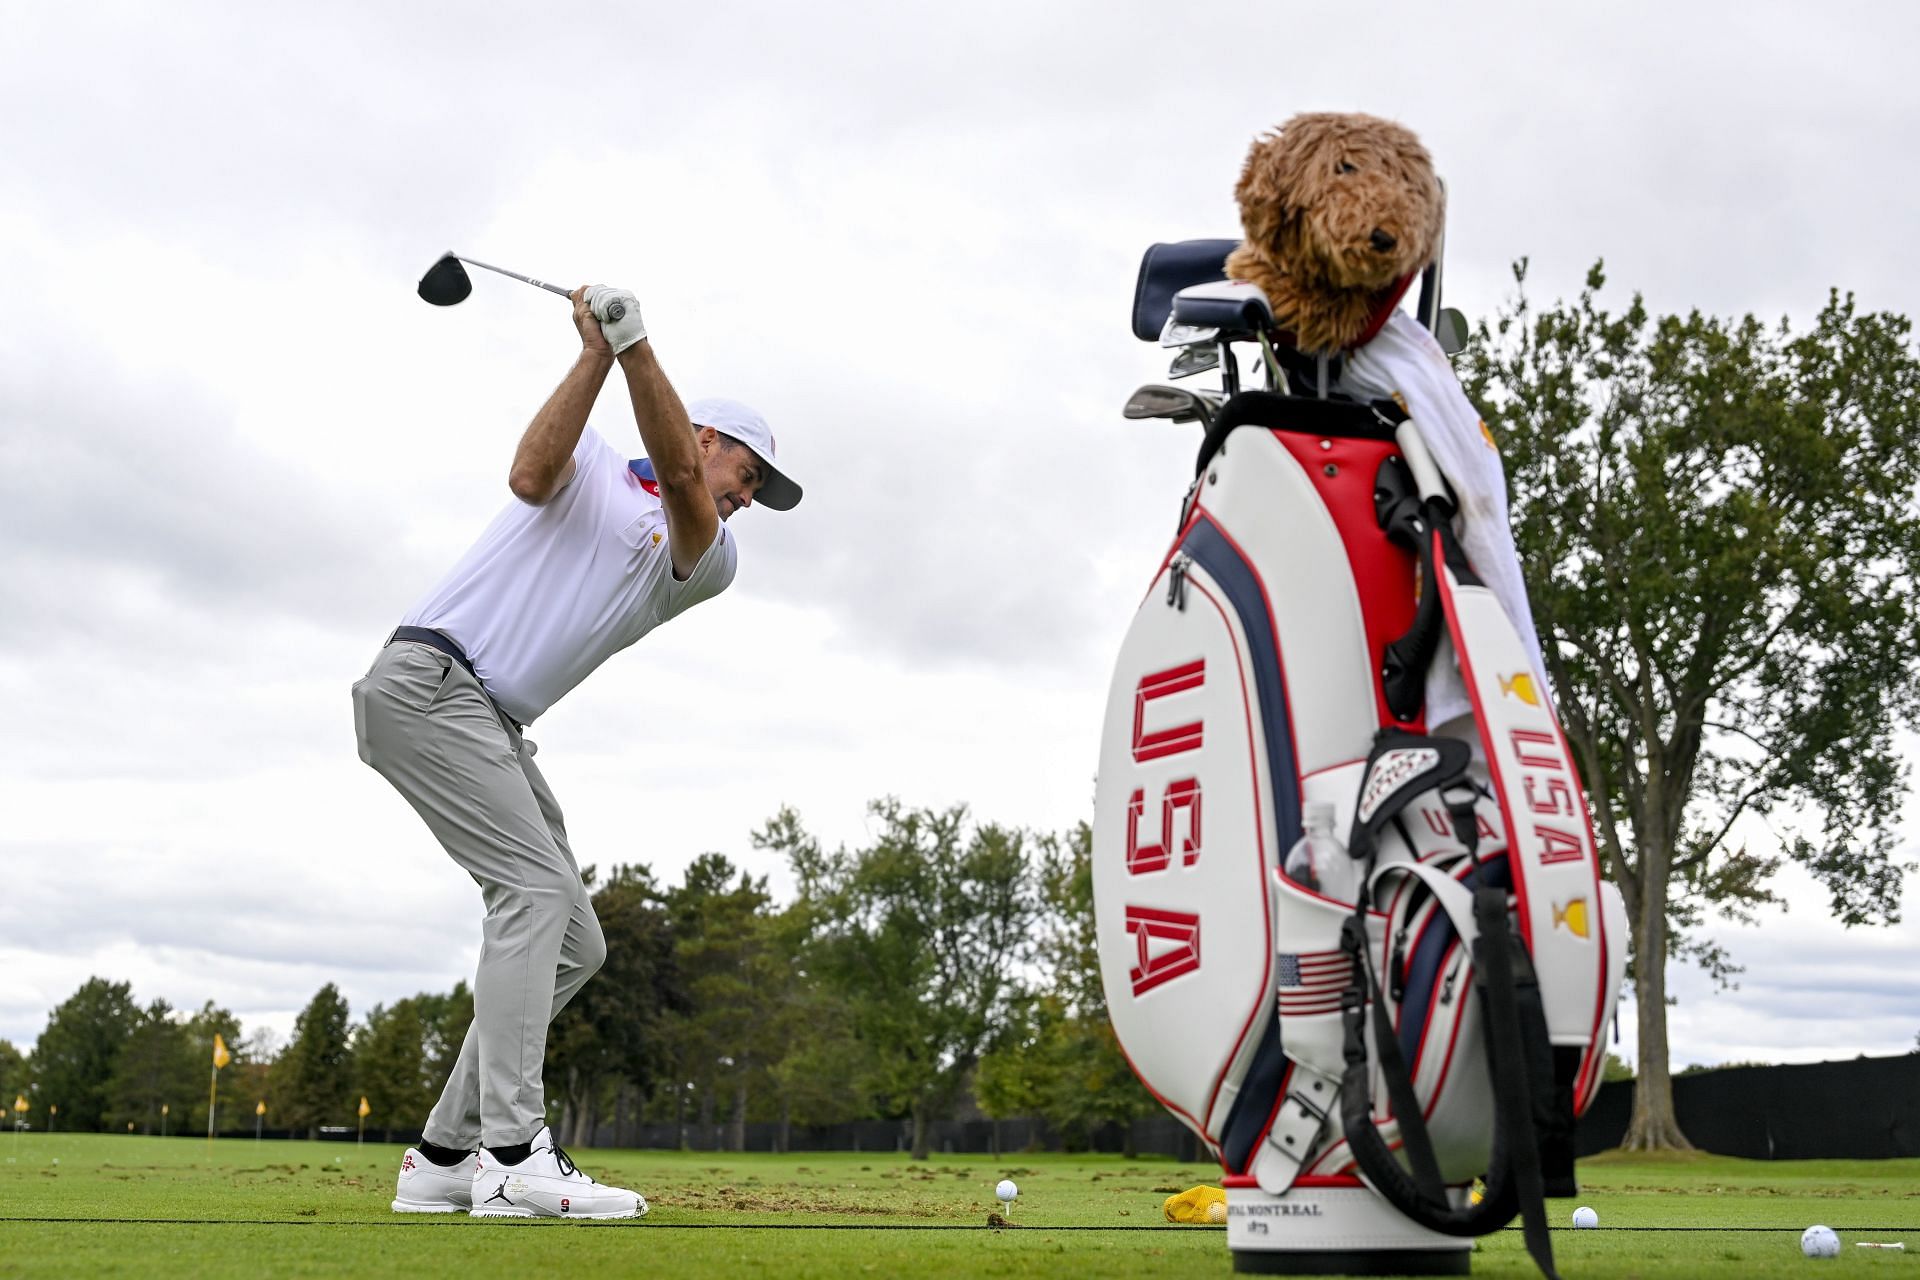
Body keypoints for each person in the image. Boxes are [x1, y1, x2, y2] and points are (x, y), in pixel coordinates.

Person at [353, 284, 801, 1220]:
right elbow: (528, 473)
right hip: (431, 683)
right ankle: (513, 1155)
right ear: (705, 433)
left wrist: (637, 345)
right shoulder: (590, 461)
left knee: (576, 941)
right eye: (748, 473)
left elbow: (683, 485)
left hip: (489, 720)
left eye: (758, 492)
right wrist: (599, 351)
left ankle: (443, 1155)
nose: (747, 498)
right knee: (534, 895)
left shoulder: (707, 553)